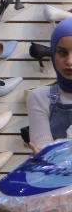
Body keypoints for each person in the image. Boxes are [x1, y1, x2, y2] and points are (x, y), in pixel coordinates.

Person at [28, 17, 72, 151]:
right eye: (62, 52)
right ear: (53, 54)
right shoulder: (39, 97)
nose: (69, 61)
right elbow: (43, 151)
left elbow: (50, 155)